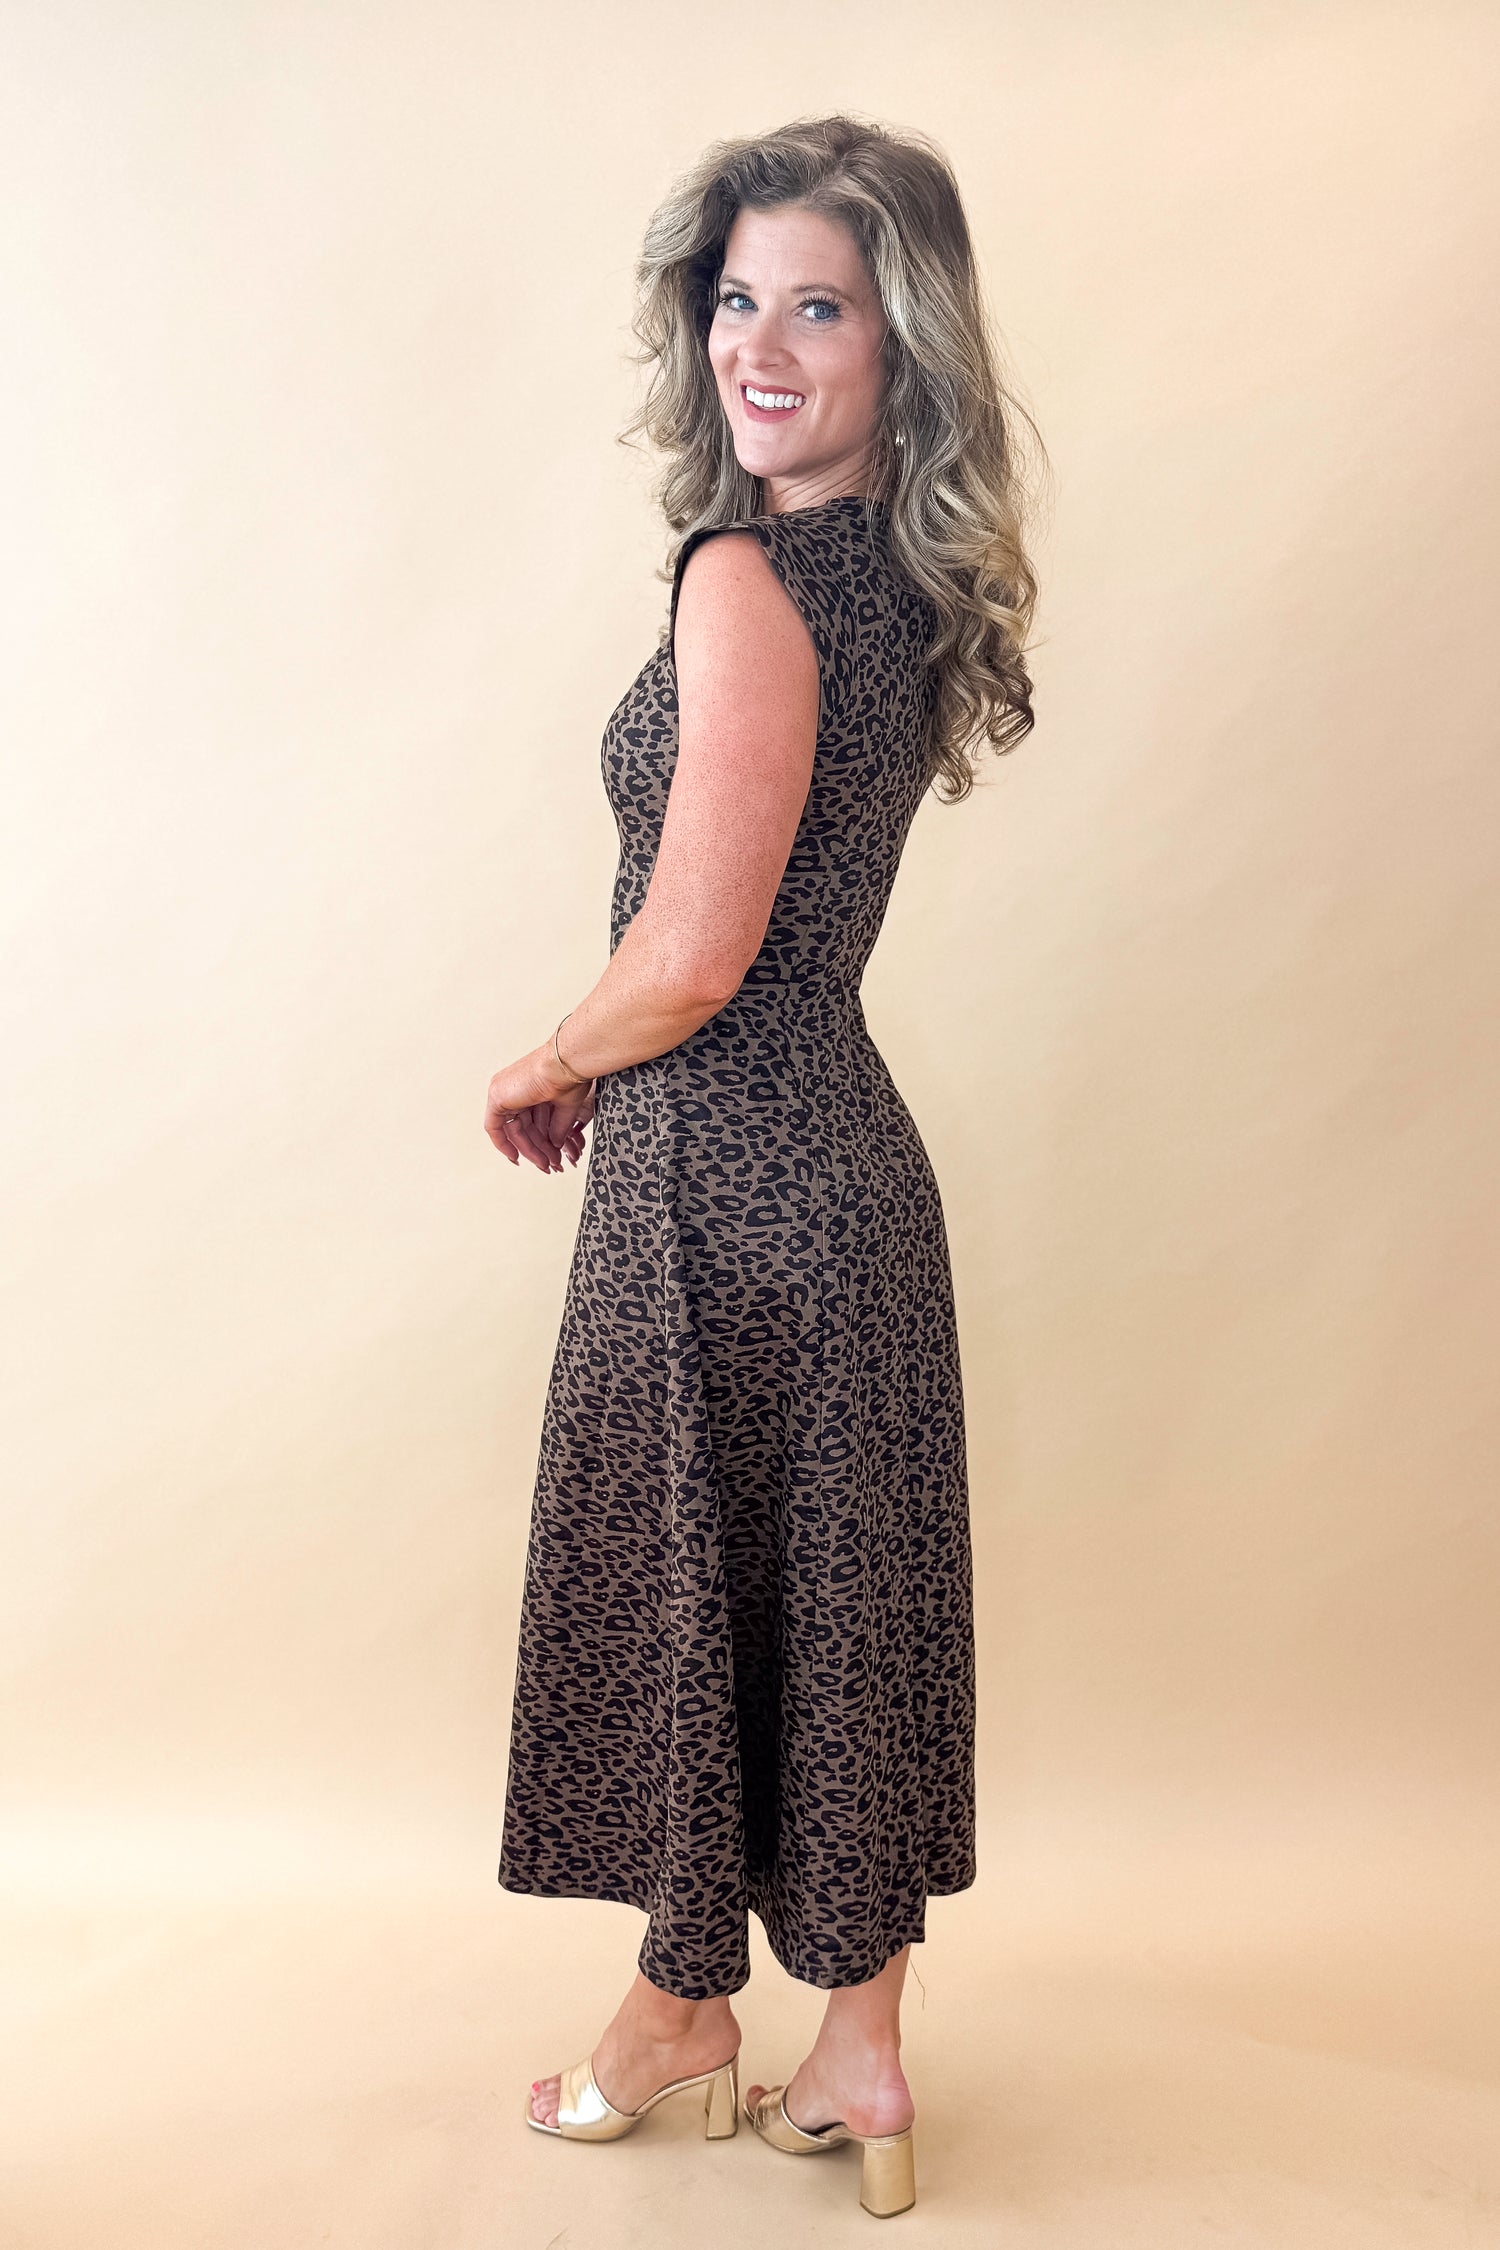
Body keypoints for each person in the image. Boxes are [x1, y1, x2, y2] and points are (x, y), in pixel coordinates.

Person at [484, 113, 1040, 2219]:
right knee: (842, 1598)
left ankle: (677, 2020)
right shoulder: (903, 579)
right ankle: (862, 2061)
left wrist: (553, 1057)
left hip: (725, 1172)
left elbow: (699, 949)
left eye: (821, 305)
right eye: (737, 302)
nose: (765, 349)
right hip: (854, 1179)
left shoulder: (743, 574)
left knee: (697, 1589)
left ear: (905, 346)